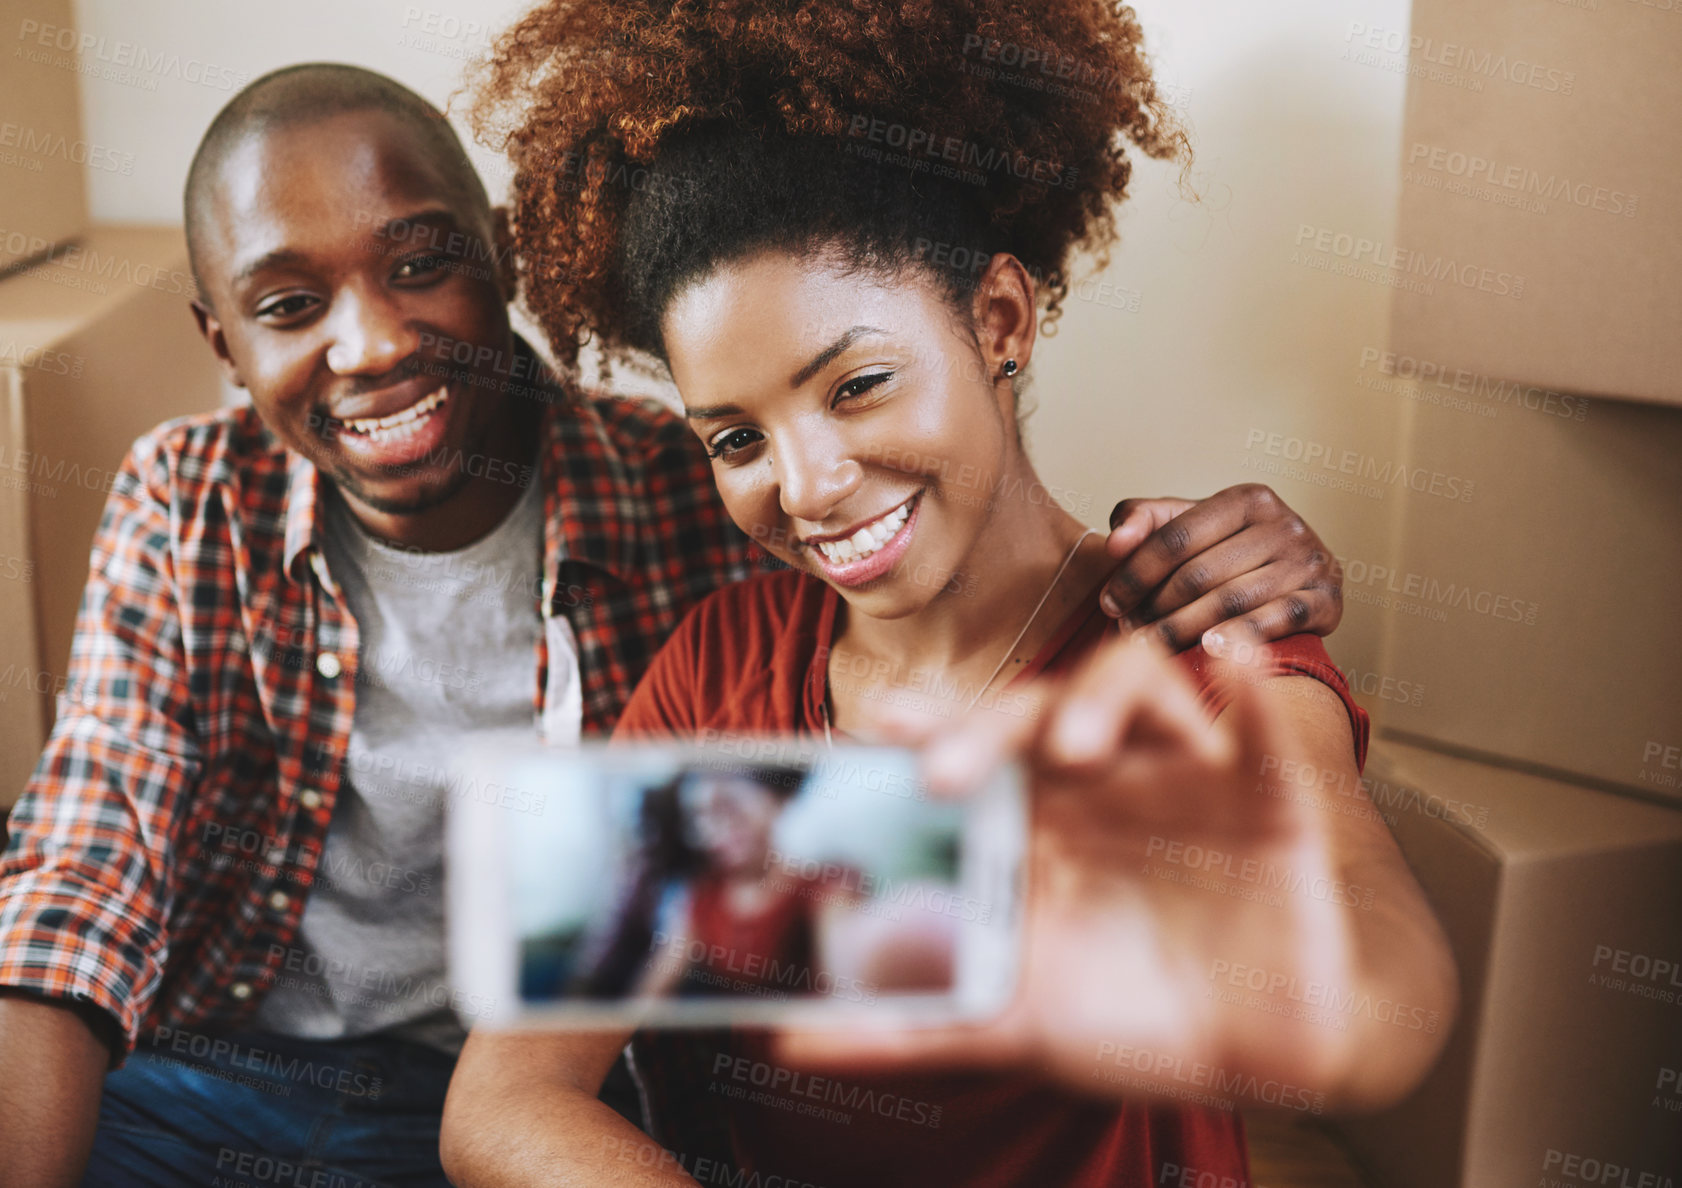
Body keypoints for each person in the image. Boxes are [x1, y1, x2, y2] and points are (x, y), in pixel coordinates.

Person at [0, 62, 1350, 1188]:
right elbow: (76, 885)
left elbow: (948, 549)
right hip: (218, 1082)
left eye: (422, 264)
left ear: (504, 260)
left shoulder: (696, 486)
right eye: (290, 307)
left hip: (554, 1100)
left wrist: (1234, 569)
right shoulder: (185, 498)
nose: (370, 345)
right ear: (223, 341)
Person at [440, 2, 1458, 1185]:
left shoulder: (1199, 648)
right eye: (734, 441)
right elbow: (504, 1096)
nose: (808, 487)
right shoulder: (722, 661)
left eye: (858, 383)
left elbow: (1369, 1007)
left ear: (999, 322)